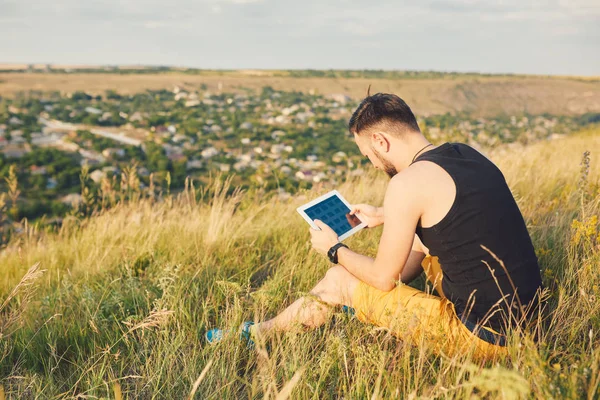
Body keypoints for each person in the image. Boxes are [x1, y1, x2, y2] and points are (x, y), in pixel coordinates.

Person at [206, 93, 543, 360]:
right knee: (421, 246)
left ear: (381, 141)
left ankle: (257, 335)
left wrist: (334, 250)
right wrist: (386, 215)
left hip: (486, 339)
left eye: (367, 153)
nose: (371, 161)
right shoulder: (465, 153)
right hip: (530, 324)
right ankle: (362, 307)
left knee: (338, 280)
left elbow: (383, 278)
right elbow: (453, 217)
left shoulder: (407, 183)